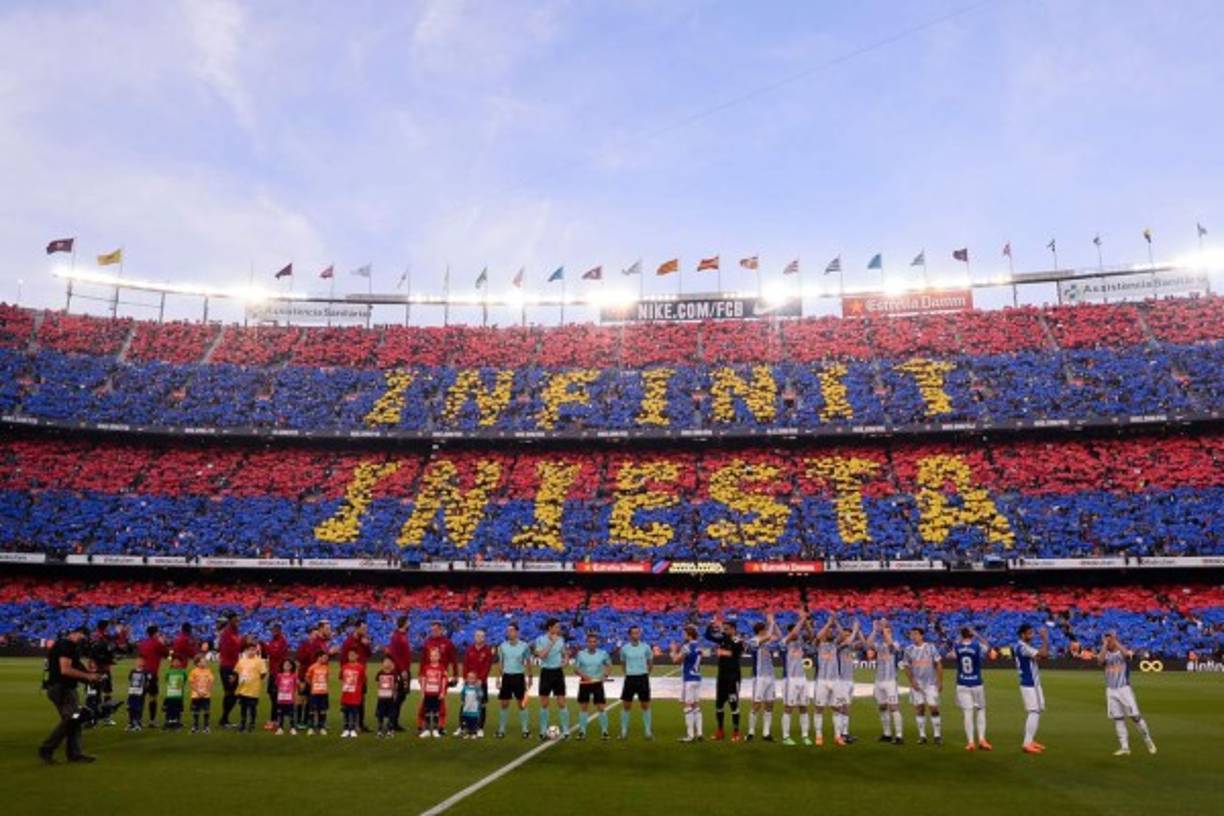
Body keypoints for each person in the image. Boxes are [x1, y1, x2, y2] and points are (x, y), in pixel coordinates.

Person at [39, 625, 104, 764]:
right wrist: (88, 677)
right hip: (63, 688)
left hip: (65, 688)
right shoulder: (66, 645)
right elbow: (65, 670)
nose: (83, 640)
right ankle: (48, 748)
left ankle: (74, 754)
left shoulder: (67, 645)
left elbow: (76, 665)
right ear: (76, 633)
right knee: (72, 719)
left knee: (75, 719)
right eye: (83, 637)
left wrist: (90, 673)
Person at [1098, 632, 1156, 756]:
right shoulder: (1105, 654)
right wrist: (1104, 645)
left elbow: (1127, 654)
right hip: (1111, 690)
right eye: (1106, 640)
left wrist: (1115, 641)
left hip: (1124, 689)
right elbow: (1100, 661)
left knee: (1135, 717)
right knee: (1118, 718)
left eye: (1110, 640)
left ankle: (1148, 740)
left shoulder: (1122, 653)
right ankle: (1125, 747)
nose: (1108, 642)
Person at [704, 613, 744, 741]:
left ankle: (736, 732)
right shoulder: (722, 638)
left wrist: (722, 652)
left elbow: (736, 654)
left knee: (733, 704)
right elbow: (707, 636)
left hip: (733, 677)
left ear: (733, 629)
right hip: (721, 676)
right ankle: (720, 731)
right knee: (719, 704)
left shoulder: (738, 641)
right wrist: (710, 624)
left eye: (726, 629)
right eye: (723, 628)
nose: (724, 631)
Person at [951, 627, 992, 751]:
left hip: (962, 683)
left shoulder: (957, 647)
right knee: (980, 710)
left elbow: (951, 655)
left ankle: (970, 742)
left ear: (962, 635)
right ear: (971, 635)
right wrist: (977, 634)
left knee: (967, 713)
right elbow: (987, 647)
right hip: (976, 682)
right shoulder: (977, 645)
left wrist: (960, 639)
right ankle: (982, 739)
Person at [904, 627, 943, 746]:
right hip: (917, 684)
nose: (913, 636)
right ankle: (922, 736)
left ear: (921, 635)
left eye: (915, 634)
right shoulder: (908, 649)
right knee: (919, 708)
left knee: (934, 708)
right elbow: (906, 666)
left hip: (930, 683)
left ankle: (937, 735)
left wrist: (940, 681)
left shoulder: (930, 647)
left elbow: (938, 664)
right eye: (911, 634)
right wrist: (912, 682)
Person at [745, 613, 781, 742]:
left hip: (770, 676)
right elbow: (768, 637)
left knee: (770, 704)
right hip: (759, 677)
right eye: (765, 629)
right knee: (756, 704)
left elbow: (780, 637)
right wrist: (771, 623)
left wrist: (774, 623)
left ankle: (766, 733)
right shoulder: (753, 640)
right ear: (761, 631)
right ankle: (750, 732)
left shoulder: (768, 641)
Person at [1015, 622, 1050, 754]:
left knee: (1037, 711)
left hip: (1032, 683)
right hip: (1029, 684)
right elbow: (1044, 654)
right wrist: (1045, 638)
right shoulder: (1023, 647)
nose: (1032, 635)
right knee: (1034, 711)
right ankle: (1027, 743)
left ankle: (1030, 740)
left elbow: (1041, 657)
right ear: (1022, 635)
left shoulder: (1023, 646)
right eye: (1029, 633)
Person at [533, 617, 570, 741]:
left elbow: (565, 653)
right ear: (550, 628)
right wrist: (551, 643)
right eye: (557, 627)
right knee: (544, 703)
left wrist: (565, 660)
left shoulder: (561, 640)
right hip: (546, 673)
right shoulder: (540, 640)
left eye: (559, 627)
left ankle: (565, 731)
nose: (559, 629)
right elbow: (541, 656)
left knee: (561, 702)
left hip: (558, 673)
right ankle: (543, 731)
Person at [868, 619, 903, 745]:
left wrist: (884, 629)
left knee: (894, 707)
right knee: (882, 707)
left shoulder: (896, 644)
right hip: (879, 680)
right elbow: (869, 643)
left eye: (887, 631)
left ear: (891, 633)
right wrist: (874, 630)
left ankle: (899, 736)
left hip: (890, 680)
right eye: (884, 631)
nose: (884, 633)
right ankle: (887, 734)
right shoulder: (879, 645)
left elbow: (890, 645)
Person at [420, 620, 459, 736]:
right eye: (432, 630)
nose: (434, 632)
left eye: (436, 629)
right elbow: (423, 660)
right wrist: (420, 674)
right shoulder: (427, 642)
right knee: (425, 702)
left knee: (440, 701)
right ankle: (422, 725)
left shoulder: (447, 643)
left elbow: (453, 660)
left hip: (441, 676)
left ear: (441, 630)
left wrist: (456, 674)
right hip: (428, 676)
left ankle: (440, 726)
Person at [495, 622, 533, 739]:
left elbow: (528, 662)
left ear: (517, 632)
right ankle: (501, 730)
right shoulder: (502, 646)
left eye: (511, 630)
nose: (509, 632)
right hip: (506, 677)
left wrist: (530, 677)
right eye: (508, 631)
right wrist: (498, 678)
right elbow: (500, 663)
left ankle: (525, 730)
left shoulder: (524, 646)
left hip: (519, 677)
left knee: (521, 704)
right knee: (504, 704)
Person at [779, 610, 810, 746]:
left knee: (804, 707)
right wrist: (801, 620)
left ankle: (805, 735)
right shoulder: (784, 641)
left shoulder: (800, 642)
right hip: (790, 679)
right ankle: (786, 736)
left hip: (802, 678)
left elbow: (811, 635)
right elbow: (794, 633)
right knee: (788, 707)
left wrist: (806, 622)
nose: (799, 635)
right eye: (796, 632)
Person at [574, 631, 612, 740]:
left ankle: (604, 732)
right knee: (583, 708)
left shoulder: (603, 653)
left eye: (594, 642)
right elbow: (576, 669)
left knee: (601, 707)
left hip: (597, 684)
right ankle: (582, 732)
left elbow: (609, 666)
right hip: (585, 683)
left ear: (597, 643)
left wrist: (605, 675)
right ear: (586, 643)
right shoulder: (581, 654)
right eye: (590, 642)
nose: (592, 643)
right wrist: (585, 676)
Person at [618, 625, 653, 740]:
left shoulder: (646, 647)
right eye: (633, 633)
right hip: (630, 678)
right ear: (629, 635)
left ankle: (648, 731)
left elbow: (650, 663)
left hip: (643, 678)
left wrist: (645, 673)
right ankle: (623, 731)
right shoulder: (625, 648)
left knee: (645, 705)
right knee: (626, 705)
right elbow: (622, 663)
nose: (636, 635)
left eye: (637, 633)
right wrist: (628, 673)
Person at [670, 625, 703, 743]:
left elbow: (676, 660)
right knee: (696, 706)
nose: (683, 636)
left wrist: (673, 650)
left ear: (689, 635)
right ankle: (699, 733)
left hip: (688, 678)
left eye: (684, 634)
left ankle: (690, 735)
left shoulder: (686, 647)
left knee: (687, 706)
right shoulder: (699, 646)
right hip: (697, 677)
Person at [810, 614, 840, 746]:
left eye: (831, 631)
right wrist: (828, 623)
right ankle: (818, 735)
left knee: (836, 708)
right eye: (828, 631)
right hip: (821, 680)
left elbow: (843, 636)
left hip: (835, 680)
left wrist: (835, 622)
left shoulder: (835, 645)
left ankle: (838, 736)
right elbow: (817, 638)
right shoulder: (818, 645)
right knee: (819, 708)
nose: (830, 632)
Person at [834, 618, 863, 745]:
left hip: (849, 680)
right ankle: (840, 734)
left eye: (848, 634)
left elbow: (862, 643)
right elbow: (848, 641)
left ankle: (845, 733)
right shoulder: (837, 646)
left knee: (846, 707)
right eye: (844, 635)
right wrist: (855, 630)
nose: (846, 637)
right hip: (841, 681)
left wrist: (858, 632)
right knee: (841, 707)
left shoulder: (850, 647)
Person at [341, 621, 373, 732]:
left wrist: (367, 645)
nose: (365, 631)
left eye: (366, 628)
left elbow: (369, 654)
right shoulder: (349, 641)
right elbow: (343, 658)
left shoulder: (363, 640)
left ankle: (360, 724)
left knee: (361, 699)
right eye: (363, 628)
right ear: (357, 628)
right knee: (348, 700)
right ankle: (348, 724)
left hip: (361, 674)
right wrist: (343, 675)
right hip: (350, 675)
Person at [462, 628, 494, 737]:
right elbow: (465, 664)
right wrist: (465, 678)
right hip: (468, 682)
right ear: (474, 637)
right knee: (465, 704)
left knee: (481, 705)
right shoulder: (469, 649)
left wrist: (481, 679)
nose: (479, 637)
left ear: (484, 638)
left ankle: (480, 727)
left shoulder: (487, 651)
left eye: (481, 636)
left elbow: (487, 666)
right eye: (477, 635)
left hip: (481, 683)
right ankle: (463, 726)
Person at [135, 625, 170, 727]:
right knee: (153, 697)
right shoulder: (157, 643)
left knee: (140, 697)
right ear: (155, 633)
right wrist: (163, 642)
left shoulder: (143, 643)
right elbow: (166, 654)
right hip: (151, 673)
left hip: (141, 672)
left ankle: (138, 720)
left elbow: (140, 656)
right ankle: (152, 721)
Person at [216, 613, 242, 729]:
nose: (238, 622)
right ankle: (224, 719)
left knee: (233, 693)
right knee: (230, 692)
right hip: (228, 666)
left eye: (238, 620)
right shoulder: (227, 633)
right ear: (230, 620)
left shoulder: (235, 632)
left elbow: (237, 647)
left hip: (234, 666)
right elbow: (226, 649)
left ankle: (224, 718)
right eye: (235, 620)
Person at [262, 622, 290, 730]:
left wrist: (266, 646)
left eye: (274, 630)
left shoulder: (282, 641)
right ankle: (277, 718)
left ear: (278, 630)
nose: (272, 632)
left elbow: (275, 654)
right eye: (272, 630)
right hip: (273, 672)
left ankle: (275, 720)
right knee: (271, 694)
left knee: (275, 697)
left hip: (278, 673)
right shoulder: (274, 640)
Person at [234, 641, 267, 733]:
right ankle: (243, 723)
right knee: (243, 707)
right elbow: (237, 672)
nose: (251, 652)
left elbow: (263, 673)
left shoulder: (259, 661)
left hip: (253, 689)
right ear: (246, 651)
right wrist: (234, 679)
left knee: (252, 707)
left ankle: (252, 723)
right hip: (243, 689)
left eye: (253, 650)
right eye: (249, 650)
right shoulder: (242, 661)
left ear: (256, 650)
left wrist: (256, 680)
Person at [387, 616, 412, 732]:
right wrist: (402, 670)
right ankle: (392, 722)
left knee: (402, 696)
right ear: (404, 623)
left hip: (405, 670)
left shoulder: (403, 636)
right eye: (408, 622)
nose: (410, 623)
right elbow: (395, 655)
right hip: (400, 671)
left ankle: (394, 722)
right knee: (398, 696)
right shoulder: (396, 637)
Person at [419, 647, 448, 738]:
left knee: (436, 712)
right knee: (427, 711)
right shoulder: (426, 667)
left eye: (435, 655)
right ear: (429, 657)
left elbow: (444, 681)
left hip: (437, 694)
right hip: (428, 693)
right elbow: (423, 679)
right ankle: (427, 730)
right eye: (432, 655)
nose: (433, 657)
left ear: (439, 657)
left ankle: (435, 730)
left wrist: (442, 692)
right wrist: (422, 691)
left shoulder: (441, 668)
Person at [340, 648, 367, 738]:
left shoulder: (360, 667)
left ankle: (353, 728)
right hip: (346, 694)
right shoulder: (344, 667)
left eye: (353, 654)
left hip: (355, 695)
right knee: (346, 712)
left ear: (357, 656)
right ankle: (346, 728)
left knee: (355, 712)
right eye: (349, 655)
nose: (351, 656)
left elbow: (363, 680)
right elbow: (341, 678)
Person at [305, 651, 331, 735]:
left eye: (326, 658)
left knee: (323, 710)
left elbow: (327, 678)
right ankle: (311, 727)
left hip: (324, 692)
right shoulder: (312, 667)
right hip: (314, 692)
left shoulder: (326, 667)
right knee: (312, 710)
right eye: (324, 657)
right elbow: (307, 677)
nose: (326, 659)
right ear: (319, 657)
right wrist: (313, 685)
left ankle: (322, 727)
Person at [188, 654, 214, 733]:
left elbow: (211, 682)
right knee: (196, 711)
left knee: (206, 710)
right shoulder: (193, 672)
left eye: (205, 662)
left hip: (206, 695)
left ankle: (206, 726)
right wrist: (198, 692)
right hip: (196, 695)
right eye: (202, 662)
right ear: (197, 663)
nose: (205, 663)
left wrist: (206, 691)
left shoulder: (208, 671)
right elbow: (191, 683)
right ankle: (195, 726)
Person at [374, 656, 398, 738]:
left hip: (390, 698)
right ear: (382, 663)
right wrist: (378, 692)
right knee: (380, 714)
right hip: (382, 697)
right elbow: (378, 684)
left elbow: (395, 685)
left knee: (391, 714)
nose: (387, 663)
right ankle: (380, 729)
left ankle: (390, 729)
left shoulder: (394, 673)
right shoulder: (380, 673)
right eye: (385, 662)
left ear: (391, 664)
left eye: (389, 662)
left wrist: (395, 694)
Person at [125, 657, 151, 731]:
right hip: (132, 691)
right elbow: (130, 679)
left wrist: (146, 687)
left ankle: (137, 721)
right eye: (138, 661)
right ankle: (131, 722)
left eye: (142, 661)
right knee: (131, 706)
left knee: (139, 706)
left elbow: (148, 680)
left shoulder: (146, 671)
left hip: (141, 692)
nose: (140, 663)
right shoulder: (133, 671)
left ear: (144, 663)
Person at [274, 658, 298, 735]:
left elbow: (295, 687)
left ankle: (292, 728)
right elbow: (277, 685)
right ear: (282, 666)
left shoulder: (294, 676)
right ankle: (280, 728)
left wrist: (295, 697)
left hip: (290, 699)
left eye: (289, 665)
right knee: (280, 714)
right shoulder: (279, 675)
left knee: (291, 714)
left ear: (292, 666)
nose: (287, 666)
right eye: (285, 664)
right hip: (281, 699)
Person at [163, 658, 188, 730]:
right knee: (169, 708)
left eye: (178, 662)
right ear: (172, 663)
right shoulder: (169, 672)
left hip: (179, 695)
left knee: (177, 709)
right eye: (174, 662)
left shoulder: (182, 672)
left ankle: (177, 721)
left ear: (180, 663)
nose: (176, 663)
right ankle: (168, 721)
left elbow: (185, 680)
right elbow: (167, 680)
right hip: (170, 694)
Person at [459, 671, 485, 738]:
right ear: (467, 679)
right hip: (466, 708)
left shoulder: (477, 687)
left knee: (473, 722)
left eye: (472, 678)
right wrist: (462, 700)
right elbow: (462, 695)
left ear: (475, 679)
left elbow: (481, 695)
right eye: (469, 678)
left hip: (474, 709)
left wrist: (478, 689)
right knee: (466, 722)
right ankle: (467, 733)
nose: (471, 679)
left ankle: (473, 733)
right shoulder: (465, 687)